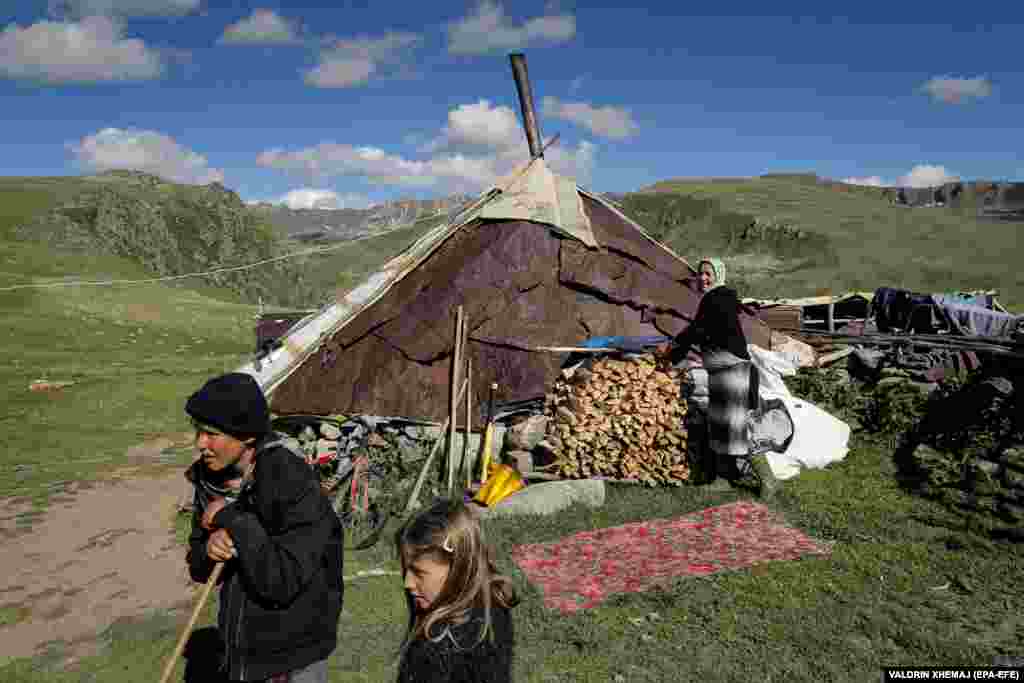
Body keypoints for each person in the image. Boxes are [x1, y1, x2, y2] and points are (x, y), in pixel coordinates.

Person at [184, 372, 344, 682]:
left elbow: (282, 579)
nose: (200, 444)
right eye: (198, 432)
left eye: (211, 433)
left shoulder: (290, 481)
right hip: (242, 652)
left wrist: (233, 519)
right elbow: (198, 567)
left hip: (292, 658)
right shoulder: (212, 479)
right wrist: (209, 549)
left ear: (245, 435)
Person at [656, 258, 779, 498]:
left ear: (719, 275)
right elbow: (701, 330)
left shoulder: (719, 297)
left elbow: (697, 329)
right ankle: (723, 479)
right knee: (721, 425)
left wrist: (672, 352)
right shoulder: (715, 298)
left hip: (732, 370)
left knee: (735, 426)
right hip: (722, 370)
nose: (703, 278)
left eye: (708, 273)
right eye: (700, 273)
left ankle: (769, 479)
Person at [395, 498, 519, 683]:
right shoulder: (491, 604)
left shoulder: (442, 643)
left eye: (419, 572)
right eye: (406, 571)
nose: (408, 583)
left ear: (458, 569)